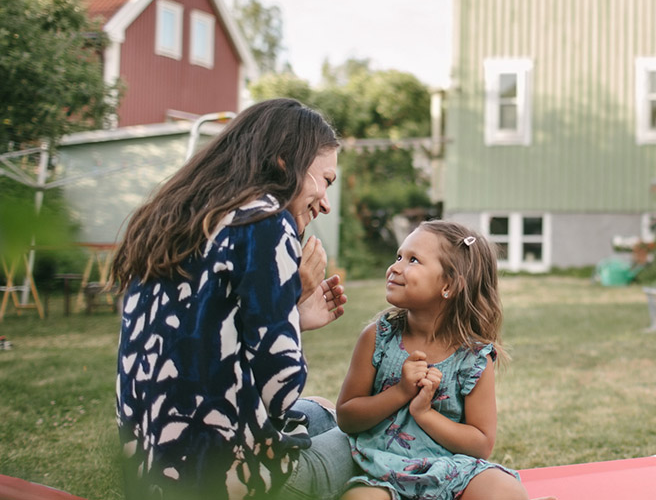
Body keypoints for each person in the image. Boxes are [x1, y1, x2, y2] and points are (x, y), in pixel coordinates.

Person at [112, 98, 353, 500]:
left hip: (150, 475)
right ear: (285, 162)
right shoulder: (266, 221)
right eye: (326, 180)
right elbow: (281, 391)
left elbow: (204, 351)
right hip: (225, 483)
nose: (326, 202)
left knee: (324, 409)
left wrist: (289, 310)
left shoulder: (171, 218)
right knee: (366, 434)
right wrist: (293, 292)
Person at [336, 221, 545, 500]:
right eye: (399, 256)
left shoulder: (473, 359)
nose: (395, 267)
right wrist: (400, 392)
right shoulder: (377, 338)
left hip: (451, 473)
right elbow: (346, 417)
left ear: (449, 285)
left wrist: (425, 414)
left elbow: (481, 444)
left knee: (504, 490)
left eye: (413, 260)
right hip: (382, 471)